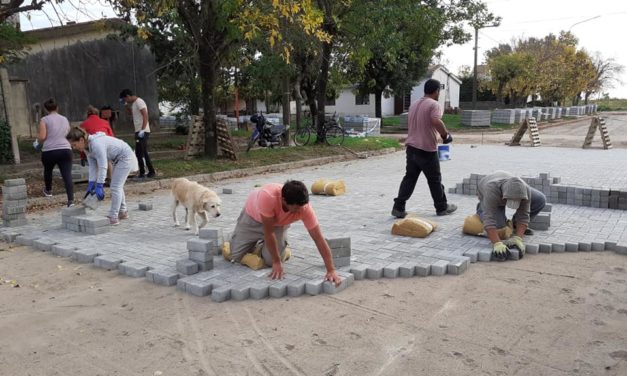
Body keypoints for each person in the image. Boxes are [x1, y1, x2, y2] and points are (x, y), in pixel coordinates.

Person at [229, 180, 341, 286]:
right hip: (252, 219)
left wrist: (331, 270)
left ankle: (275, 248)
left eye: (302, 207)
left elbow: (318, 238)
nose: (300, 211)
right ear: (283, 200)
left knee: (269, 261)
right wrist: (277, 262)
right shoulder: (268, 196)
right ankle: (251, 242)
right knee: (236, 256)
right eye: (296, 208)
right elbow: (269, 233)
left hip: (278, 224)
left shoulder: (304, 208)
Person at [391, 78, 456, 218]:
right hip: (426, 149)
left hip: (411, 148)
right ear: (436, 91)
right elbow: (435, 120)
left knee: (409, 178)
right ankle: (442, 207)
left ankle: (398, 207)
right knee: (434, 180)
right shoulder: (434, 104)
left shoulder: (414, 105)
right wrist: (445, 135)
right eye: (439, 91)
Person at [66, 127, 139, 225]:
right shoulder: (87, 148)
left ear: (81, 140)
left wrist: (100, 184)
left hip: (125, 157)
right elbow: (92, 167)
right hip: (118, 159)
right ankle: (123, 212)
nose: (74, 148)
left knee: (115, 186)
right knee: (117, 185)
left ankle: (114, 216)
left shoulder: (96, 144)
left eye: (74, 145)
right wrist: (91, 183)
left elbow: (103, 166)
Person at [476, 171, 547, 261]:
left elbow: (524, 215)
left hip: (508, 185)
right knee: (499, 227)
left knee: (540, 199)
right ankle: (481, 208)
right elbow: (489, 220)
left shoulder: (525, 190)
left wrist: (518, 238)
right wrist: (497, 243)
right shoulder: (491, 189)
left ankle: (514, 224)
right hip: (487, 188)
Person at [34, 98, 74, 207]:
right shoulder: (65, 119)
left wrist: (37, 142)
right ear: (57, 108)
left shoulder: (44, 120)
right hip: (65, 149)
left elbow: (42, 137)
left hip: (50, 150)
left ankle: (48, 190)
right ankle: (70, 200)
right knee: (67, 175)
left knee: (48, 170)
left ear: (46, 109)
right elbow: (69, 133)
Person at [119, 89, 156, 179]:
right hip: (138, 130)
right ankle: (145, 172)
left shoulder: (139, 102)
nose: (125, 101)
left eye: (125, 99)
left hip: (142, 131)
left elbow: (145, 115)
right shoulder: (134, 104)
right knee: (140, 152)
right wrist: (126, 106)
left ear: (128, 96)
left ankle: (148, 172)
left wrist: (143, 130)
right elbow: (132, 114)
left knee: (141, 152)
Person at [79, 105, 115, 180]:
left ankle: (97, 182)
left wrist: (82, 156)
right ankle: (110, 180)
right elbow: (112, 136)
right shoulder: (105, 122)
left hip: (94, 147)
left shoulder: (83, 125)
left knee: (96, 163)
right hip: (106, 144)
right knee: (108, 161)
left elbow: (81, 142)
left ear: (87, 115)